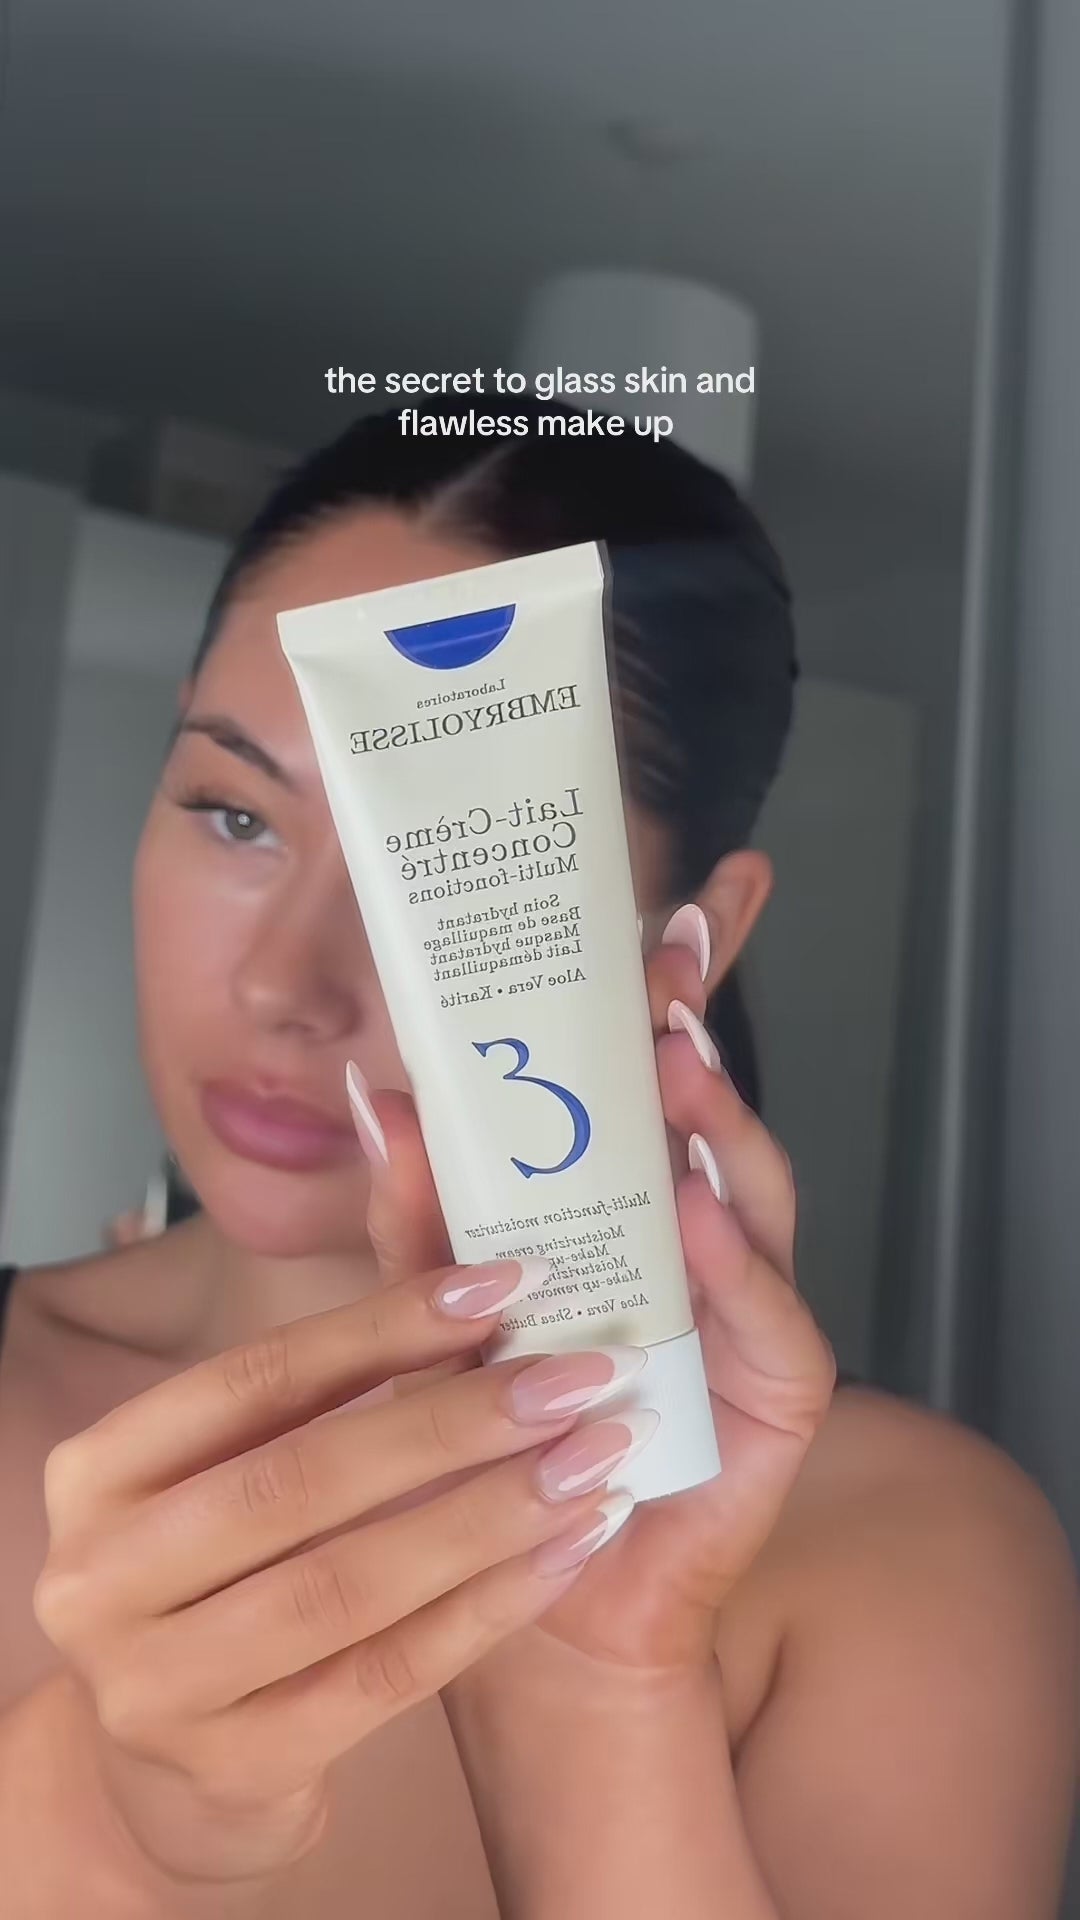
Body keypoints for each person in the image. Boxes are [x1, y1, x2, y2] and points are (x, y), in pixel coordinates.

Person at [0, 399, 1074, 1919]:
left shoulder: (908, 1551)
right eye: (235, 815)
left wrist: (596, 1698)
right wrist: (101, 1816)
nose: (286, 984)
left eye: (433, 869)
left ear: (698, 932)